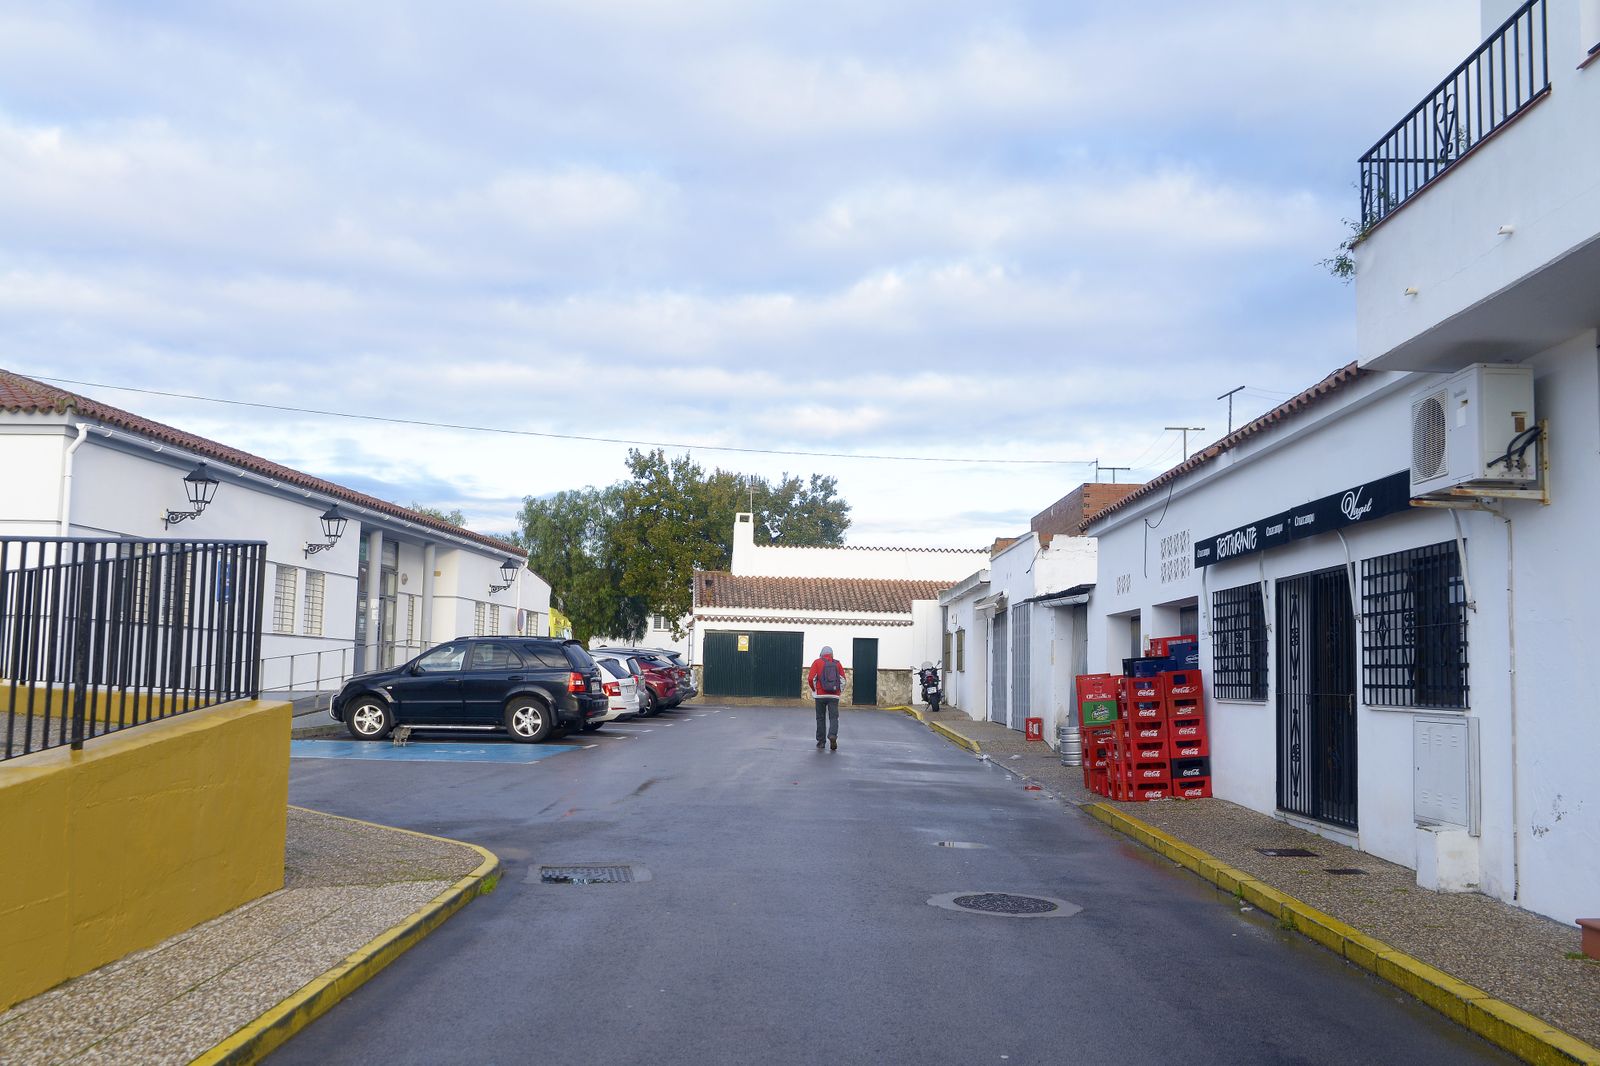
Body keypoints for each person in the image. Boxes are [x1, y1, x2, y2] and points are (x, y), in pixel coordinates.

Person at [807, 646, 847, 750]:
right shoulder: (837, 664)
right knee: (834, 717)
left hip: (820, 695)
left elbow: (811, 678)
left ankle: (821, 742)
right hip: (834, 695)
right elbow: (843, 680)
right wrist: (839, 692)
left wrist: (815, 690)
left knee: (820, 718)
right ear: (832, 654)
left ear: (821, 654)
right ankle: (832, 735)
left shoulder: (817, 662)